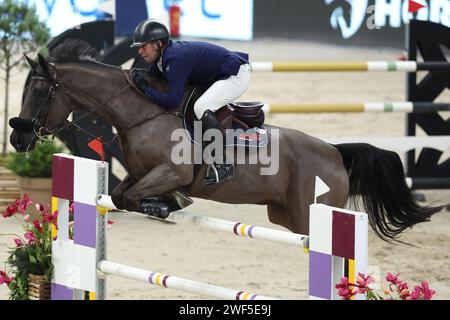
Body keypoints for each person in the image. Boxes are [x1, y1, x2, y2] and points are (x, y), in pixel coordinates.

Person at [130, 18, 251, 185]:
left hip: (235, 75)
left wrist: (146, 89)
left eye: (143, 46)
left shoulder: (174, 57)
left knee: (201, 107)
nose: (140, 51)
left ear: (158, 43)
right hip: (215, 76)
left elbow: (173, 100)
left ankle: (223, 163)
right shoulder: (161, 59)